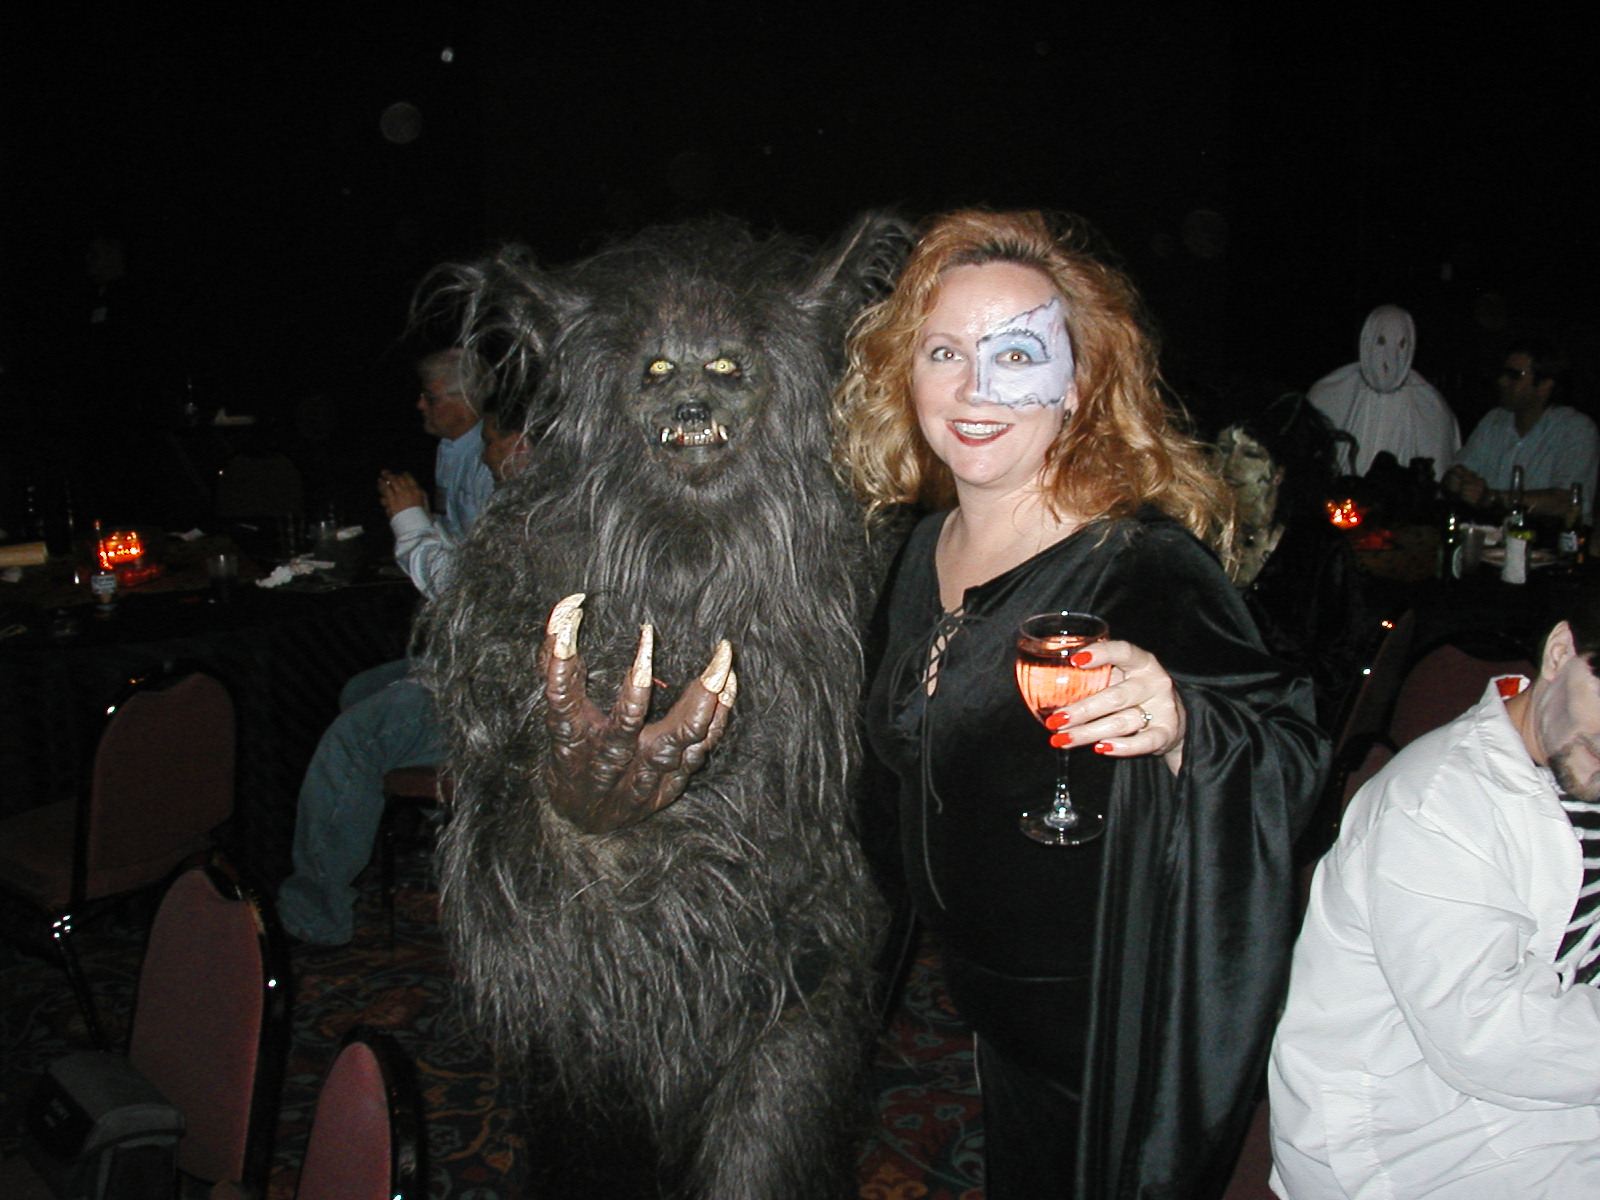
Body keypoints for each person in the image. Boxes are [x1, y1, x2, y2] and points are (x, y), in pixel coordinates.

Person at [836, 210, 1326, 1199]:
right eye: (944, 351)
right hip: (987, 1011)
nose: (975, 388)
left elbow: (1291, 751)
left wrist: (1186, 725)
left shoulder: (1137, 562)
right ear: (905, 374)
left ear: (1076, 384)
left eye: (1018, 355)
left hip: (1109, 1023)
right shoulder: (918, 549)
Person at [1270, 586, 1600, 1198]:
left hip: (1555, 1108)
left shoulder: (1575, 760)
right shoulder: (1434, 805)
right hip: (1420, 1138)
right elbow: (1494, 1041)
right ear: (1559, 653)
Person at [276, 391, 527, 946]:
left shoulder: (548, 513)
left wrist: (410, 523)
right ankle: (449, 836)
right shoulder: (529, 502)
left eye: (490, 442)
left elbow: (463, 598)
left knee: (354, 737)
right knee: (360, 689)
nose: (484, 455)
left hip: (511, 700)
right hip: (497, 672)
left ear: (523, 445)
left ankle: (313, 914)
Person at [1207, 388, 1366, 731]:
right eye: (1222, 449)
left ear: (1280, 471)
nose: (1229, 466)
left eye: (1250, 454)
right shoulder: (1196, 537)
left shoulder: (1318, 550)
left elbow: (1340, 661)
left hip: (1287, 722)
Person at [1442, 336, 1597, 521]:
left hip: (1546, 537)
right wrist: (1456, 480)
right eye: (1503, 373)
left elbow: (1567, 501)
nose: (1502, 381)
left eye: (1514, 375)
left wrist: (1493, 498)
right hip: (1490, 533)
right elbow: (1461, 468)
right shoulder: (1494, 421)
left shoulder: (1576, 430)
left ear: (1545, 386)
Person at [1308, 304, 1460, 478]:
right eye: (1381, 342)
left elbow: (1440, 470)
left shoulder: (1432, 409)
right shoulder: (1329, 394)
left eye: (1401, 345)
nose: (1390, 357)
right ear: (1367, 341)